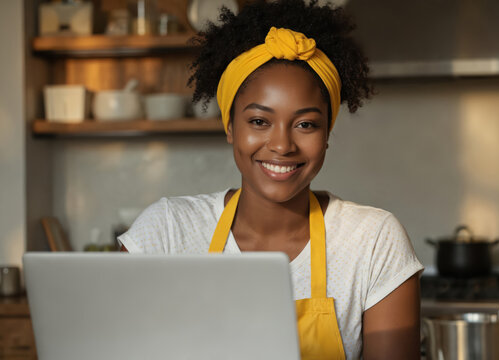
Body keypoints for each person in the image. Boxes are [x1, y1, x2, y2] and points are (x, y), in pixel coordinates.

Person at [119, 0, 423, 359]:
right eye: (259, 121)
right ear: (230, 126)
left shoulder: (372, 241)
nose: (281, 145)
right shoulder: (167, 232)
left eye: (305, 124)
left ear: (327, 134)